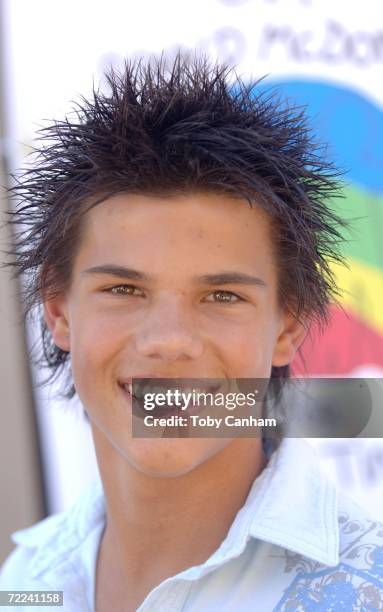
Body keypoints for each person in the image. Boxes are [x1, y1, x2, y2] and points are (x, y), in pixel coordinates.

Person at [1, 55, 382, 611]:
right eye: (124, 290)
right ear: (58, 311)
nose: (170, 340)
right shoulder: (28, 581)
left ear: (289, 324)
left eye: (223, 296)